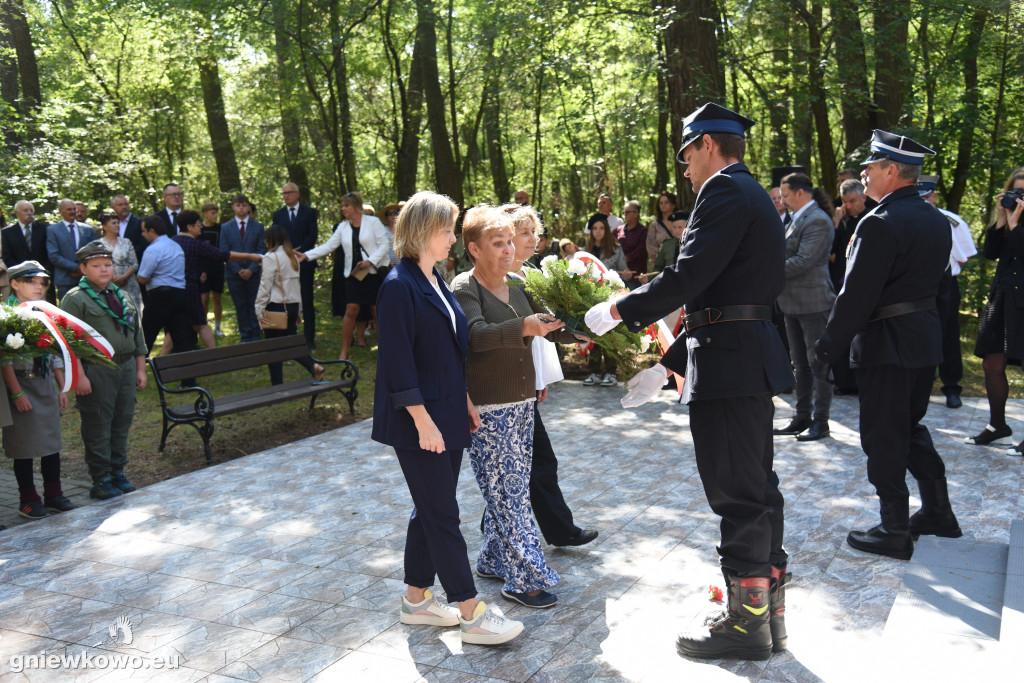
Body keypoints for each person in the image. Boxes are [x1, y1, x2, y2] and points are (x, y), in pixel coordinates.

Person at [586, 102, 794, 660]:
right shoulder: (752, 194)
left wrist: (620, 308)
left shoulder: (724, 191)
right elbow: (720, 301)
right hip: (736, 354)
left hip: (730, 365)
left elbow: (690, 276)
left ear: (706, 144)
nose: (682, 167)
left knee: (737, 492)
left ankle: (745, 626)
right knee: (756, 486)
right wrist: (668, 364)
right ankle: (767, 616)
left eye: (685, 153)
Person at [371, 191, 524, 645]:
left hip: (448, 411)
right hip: (419, 421)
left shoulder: (434, 277)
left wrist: (465, 400)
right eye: (445, 230)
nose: (451, 238)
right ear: (421, 232)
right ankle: (470, 610)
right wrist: (422, 420)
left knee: (430, 506)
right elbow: (397, 364)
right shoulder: (398, 286)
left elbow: (446, 352)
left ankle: (417, 600)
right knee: (442, 512)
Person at [814, 129, 962, 561]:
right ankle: (938, 512)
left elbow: (857, 295)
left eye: (871, 166)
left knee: (882, 434)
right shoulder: (936, 219)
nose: (864, 173)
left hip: (887, 343)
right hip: (922, 341)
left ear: (892, 171)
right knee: (908, 427)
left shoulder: (878, 223)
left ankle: (895, 529)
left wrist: (826, 349)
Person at [452, 206, 576, 609]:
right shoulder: (463, 288)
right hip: (487, 410)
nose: (508, 250)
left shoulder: (517, 287)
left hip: (523, 405)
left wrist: (576, 324)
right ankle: (524, 581)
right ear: (473, 248)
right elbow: (476, 337)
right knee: (510, 496)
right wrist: (524, 328)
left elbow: (542, 326)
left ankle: (491, 558)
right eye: (497, 243)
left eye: (510, 242)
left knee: (511, 489)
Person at [509, 204, 597, 547]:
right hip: (503, 387)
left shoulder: (527, 274)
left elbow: (545, 325)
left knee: (521, 463)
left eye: (536, 231)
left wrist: (583, 327)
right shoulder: (501, 280)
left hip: (522, 383)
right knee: (528, 462)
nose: (535, 238)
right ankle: (555, 530)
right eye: (526, 232)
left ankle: (552, 530)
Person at [60, 241, 148, 500]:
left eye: (108, 265)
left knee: (122, 420)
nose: (104, 270)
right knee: (98, 423)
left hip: (126, 366)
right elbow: (68, 343)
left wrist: (140, 369)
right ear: (83, 268)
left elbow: (137, 335)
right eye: (96, 266)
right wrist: (79, 376)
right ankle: (101, 478)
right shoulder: (75, 299)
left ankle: (118, 471)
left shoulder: (123, 295)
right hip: (97, 369)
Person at [2, 261, 75, 519]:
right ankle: (27, 499)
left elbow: (54, 351)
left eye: (42, 282)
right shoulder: (6, 314)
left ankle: (54, 494)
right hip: (22, 385)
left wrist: (62, 386)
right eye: (31, 281)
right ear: (14, 284)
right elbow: (4, 359)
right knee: (24, 446)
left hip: (44, 383)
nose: (39, 286)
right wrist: (17, 393)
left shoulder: (43, 312)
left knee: (51, 443)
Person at [772, 172, 837, 442]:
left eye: (785, 195)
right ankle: (802, 416)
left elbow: (803, 260)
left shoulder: (818, 220)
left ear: (800, 193)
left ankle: (820, 422)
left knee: (818, 363)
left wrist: (766, 271)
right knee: (799, 365)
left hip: (813, 302)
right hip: (792, 303)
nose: (783, 201)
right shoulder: (797, 218)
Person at [967, 168, 1024, 448]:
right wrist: (1002, 218)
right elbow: (990, 253)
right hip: (1002, 299)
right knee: (992, 363)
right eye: (1016, 191)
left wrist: (1015, 225)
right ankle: (998, 424)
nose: (1019, 197)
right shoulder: (1007, 217)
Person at [297, 192, 390, 360]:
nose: (343, 209)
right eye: (342, 206)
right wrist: (306, 255)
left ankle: (386, 349)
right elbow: (329, 245)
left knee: (377, 310)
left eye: (346, 205)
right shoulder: (343, 227)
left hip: (373, 273)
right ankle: (344, 351)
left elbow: (384, 245)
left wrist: (369, 261)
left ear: (355, 206)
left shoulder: (373, 222)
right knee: (351, 309)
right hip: (353, 274)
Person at [918, 175, 977, 410]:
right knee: (919, 335)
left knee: (948, 336)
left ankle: (951, 387)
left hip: (946, 284)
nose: (923, 201)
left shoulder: (952, 221)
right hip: (918, 285)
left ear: (934, 196)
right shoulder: (909, 219)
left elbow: (966, 254)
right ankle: (922, 383)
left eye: (926, 197)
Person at [173, 210, 262, 349]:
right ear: (189, 227)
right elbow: (223, 255)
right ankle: (215, 355)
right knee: (202, 324)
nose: (201, 226)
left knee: (175, 326)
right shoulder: (197, 244)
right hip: (190, 290)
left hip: (175, 291)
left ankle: (160, 359)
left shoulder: (172, 242)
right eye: (197, 224)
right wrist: (249, 256)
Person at [255, 225, 324, 385]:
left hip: (276, 306)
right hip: (292, 306)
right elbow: (296, 286)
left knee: (273, 347)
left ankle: (277, 383)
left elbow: (265, 285)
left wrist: (259, 309)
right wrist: (298, 311)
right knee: (290, 345)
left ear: (270, 240)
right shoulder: (292, 258)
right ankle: (313, 366)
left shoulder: (271, 257)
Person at [829, 179, 878, 395]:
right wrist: (836, 223)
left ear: (863, 197)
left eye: (852, 201)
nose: (848, 206)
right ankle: (844, 382)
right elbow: (831, 252)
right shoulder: (843, 220)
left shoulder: (875, 217)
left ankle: (862, 382)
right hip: (841, 284)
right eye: (844, 201)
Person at [136, 216, 196, 355]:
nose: (142, 234)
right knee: (183, 341)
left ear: (152, 231)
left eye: (144, 231)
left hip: (160, 297)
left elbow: (143, 278)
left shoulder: (153, 249)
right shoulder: (175, 246)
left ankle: (136, 373)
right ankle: (189, 375)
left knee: (146, 338)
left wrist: (138, 276)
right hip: (180, 295)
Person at [583, 214, 629, 387]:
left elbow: (623, 270)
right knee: (593, 334)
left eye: (601, 228)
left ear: (606, 230)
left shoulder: (616, 249)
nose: (598, 232)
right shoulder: (585, 251)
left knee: (609, 335)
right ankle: (594, 371)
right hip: (590, 299)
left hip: (610, 299)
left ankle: (611, 372)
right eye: (595, 228)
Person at [273, 183, 319, 348]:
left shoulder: (309, 212)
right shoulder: (278, 215)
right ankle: (289, 337)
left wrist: (300, 251)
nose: (286, 196)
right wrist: (288, 250)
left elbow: (312, 234)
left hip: (305, 262)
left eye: (290, 193)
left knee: (307, 301)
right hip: (285, 262)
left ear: (298, 194)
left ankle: (309, 339)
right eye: (284, 193)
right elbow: (276, 236)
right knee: (287, 301)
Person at [221, 194, 266, 343]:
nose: (241, 208)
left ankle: (256, 332)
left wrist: (252, 269)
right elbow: (224, 250)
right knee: (240, 304)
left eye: (244, 205)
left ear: (248, 207)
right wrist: (237, 269)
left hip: (253, 272)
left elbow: (261, 249)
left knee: (254, 302)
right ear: (233, 207)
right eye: (238, 205)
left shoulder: (258, 226)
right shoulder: (225, 227)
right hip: (234, 273)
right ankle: (245, 334)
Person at [2, 200, 54, 302]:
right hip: (21, 280)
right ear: (17, 213)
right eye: (25, 210)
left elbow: (50, 253)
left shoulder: (45, 229)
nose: (29, 213)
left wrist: (44, 271)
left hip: (43, 277)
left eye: (31, 210)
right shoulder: (7, 232)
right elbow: (7, 256)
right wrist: (22, 272)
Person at [46, 199, 96, 300]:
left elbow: (93, 252)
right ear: (61, 211)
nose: (73, 212)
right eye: (69, 209)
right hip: (65, 280)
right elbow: (54, 255)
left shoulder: (87, 229)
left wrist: (83, 269)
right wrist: (75, 268)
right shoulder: (52, 230)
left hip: (86, 278)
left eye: (74, 209)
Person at [97, 213, 142, 313]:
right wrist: (112, 277)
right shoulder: (98, 244)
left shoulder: (126, 242)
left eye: (118, 223)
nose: (117, 225)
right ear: (104, 226)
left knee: (132, 312)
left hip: (129, 283)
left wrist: (123, 277)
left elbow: (134, 264)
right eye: (113, 223)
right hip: (108, 283)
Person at [198, 202, 226, 337]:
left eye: (216, 213)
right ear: (205, 214)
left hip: (218, 268)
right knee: (203, 299)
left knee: (217, 298)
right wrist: (200, 270)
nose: (215, 216)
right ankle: (203, 326)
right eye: (212, 213)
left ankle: (218, 327)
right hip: (203, 269)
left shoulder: (221, 229)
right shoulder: (199, 229)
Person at [616, 200, 647, 288]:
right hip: (619, 277)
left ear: (636, 214)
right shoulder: (618, 230)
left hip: (636, 278)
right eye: (624, 212)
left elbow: (639, 251)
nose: (625, 214)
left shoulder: (643, 231)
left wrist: (622, 260)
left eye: (627, 212)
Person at [111, 195, 145, 264]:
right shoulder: (110, 224)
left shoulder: (139, 222)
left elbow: (143, 244)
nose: (124, 207)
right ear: (113, 207)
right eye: (120, 205)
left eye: (126, 204)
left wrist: (127, 255)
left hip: (136, 265)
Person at [646, 191, 678, 264]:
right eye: (661, 203)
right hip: (659, 265)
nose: (663, 205)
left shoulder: (681, 223)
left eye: (666, 202)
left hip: (679, 262)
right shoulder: (654, 225)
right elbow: (651, 247)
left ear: (673, 205)